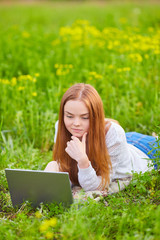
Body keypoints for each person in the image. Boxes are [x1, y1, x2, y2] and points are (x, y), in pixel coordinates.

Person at [45, 83, 158, 191]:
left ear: (95, 117)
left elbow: (98, 185)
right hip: (122, 143)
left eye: (85, 117)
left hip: (146, 150)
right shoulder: (61, 126)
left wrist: (83, 161)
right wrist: (54, 167)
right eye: (69, 116)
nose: (76, 123)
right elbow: (69, 172)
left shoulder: (114, 134)